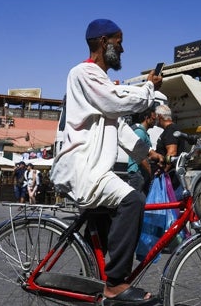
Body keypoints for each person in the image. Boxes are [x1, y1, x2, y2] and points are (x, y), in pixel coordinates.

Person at [50, 18, 163, 304]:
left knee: (105, 226)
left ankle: (93, 280)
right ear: (104, 42)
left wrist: (146, 154)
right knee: (133, 200)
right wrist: (148, 89)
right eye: (119, 42)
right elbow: (116, 102)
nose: (122, 49)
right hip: (84, 169)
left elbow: (119, 126)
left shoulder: (98, 82)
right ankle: (115, 284)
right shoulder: (83, 73)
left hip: (94, 169)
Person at [126, 105, 156, 195]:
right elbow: (140, 155)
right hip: (137, 173)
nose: (155, 121)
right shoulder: (139, 132)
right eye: (153, 119)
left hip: (141, 173)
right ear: (147, 118)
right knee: (135, 201)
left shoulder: (143, 133)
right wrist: (150, 172)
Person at [155, 104, 187, 179]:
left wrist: (163, 171)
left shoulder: (170, 129)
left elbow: (172, 153)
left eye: (156, 117)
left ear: (160, 116)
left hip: (170, 176)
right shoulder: (171, 129)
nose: (156, 119)